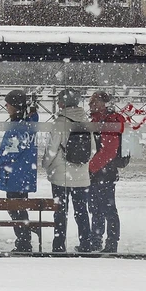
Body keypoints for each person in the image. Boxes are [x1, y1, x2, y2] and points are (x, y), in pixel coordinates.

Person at [42, 89, 93, 253]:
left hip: (60, 175)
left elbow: (51, 149)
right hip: (81, 176)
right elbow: (93, 149)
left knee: (60, 212)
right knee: (81, 211)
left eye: (59, 100)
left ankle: (59, 246)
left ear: (63, 103)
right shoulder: (86, 121)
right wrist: (83, 164)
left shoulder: (60, 122)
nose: (57, 103)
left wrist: (46, 165)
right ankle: (86, 244)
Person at [0, 89, 39, 253]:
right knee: (19, 209)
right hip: (23, 174)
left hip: (15, 176)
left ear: (15, 106)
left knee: (15, 209)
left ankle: (24, 243)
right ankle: (24, 240)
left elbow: (10, 151)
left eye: (8, 103)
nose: (6, 106)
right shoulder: (29, 123)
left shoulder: (18, 127)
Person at [88, 90, 126, 253]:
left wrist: (91, 168)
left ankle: (111, 242)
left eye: (94, 102)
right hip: (100, 171)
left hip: (104, 172)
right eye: (90, 102)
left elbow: (109, 150)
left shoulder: (110, 121)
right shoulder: (97, 120)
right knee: (96, 207)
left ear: (104, 104)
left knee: (107, 208)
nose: (91, 105)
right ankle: (97, 240)